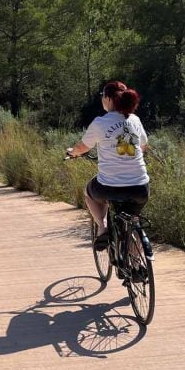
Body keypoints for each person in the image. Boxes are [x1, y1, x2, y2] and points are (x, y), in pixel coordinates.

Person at [66, 81, 149, 249]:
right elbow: (143, 146)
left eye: (103, 96)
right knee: (133, 220)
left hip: (110, 187)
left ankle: (103, 228)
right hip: (140, 187)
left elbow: (82, 147)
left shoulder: (100, 122)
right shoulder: (135, 120)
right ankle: (138, 266)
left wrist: (72, 153)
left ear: (109, 99)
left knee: (89, 192)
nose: (102, 100)